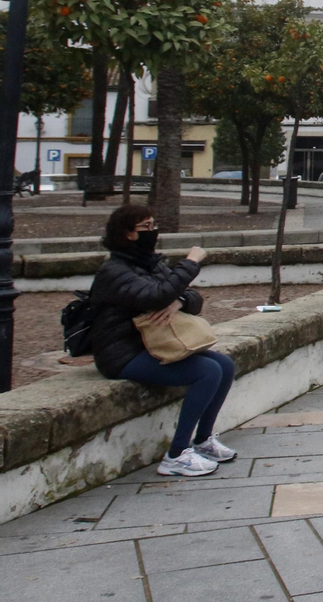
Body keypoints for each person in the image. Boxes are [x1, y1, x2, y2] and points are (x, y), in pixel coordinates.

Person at [88, 204, 237, 477]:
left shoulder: (151, 264)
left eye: (154, 225)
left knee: (224, 364)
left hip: (155, 345)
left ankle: (202, 440)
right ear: (128, 234)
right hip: (123, 354)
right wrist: (190, 263)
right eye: (146, 227)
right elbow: (156, 296)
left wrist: (178, 301)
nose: (153, 231)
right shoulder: (115, 271)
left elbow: (192, 298)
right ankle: (176, 455)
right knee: (207, 371)